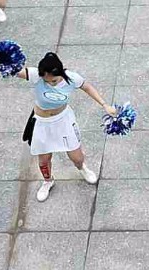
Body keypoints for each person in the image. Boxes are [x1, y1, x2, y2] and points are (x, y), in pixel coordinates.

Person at [14, 51, 119, 202]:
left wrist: (104, 105)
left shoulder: (72, 78)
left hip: (63, 120)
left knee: (77, 157)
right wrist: (4, 62)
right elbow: (15, 72)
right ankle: (48, 181)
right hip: (42, 123)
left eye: (54, 81)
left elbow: (87, 87)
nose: (50, 83)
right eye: (47, 81)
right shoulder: (36, 75)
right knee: (44, 159)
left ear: (61, 73)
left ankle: (82, 168)